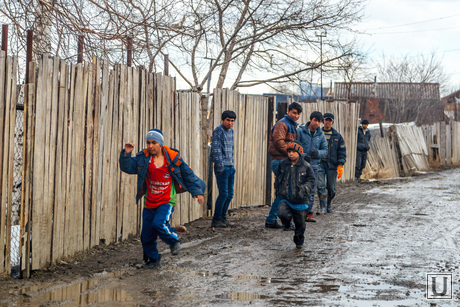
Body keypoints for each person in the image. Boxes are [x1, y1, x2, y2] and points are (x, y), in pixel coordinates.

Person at [119, 129, 206, 268]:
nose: (151, 146)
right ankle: (153, 260)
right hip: (150, 202)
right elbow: (128, 167)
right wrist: (126, 154)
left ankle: (173, 240)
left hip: (166, 201)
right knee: (146, 234)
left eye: (154, 142)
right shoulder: (144, 159)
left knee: (159, 223)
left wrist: (198, 192)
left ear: (160, 144)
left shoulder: (172, 158)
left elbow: (188, 174)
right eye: (148, 142)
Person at [265, 102, 302, 228]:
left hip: (285, 160)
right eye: (294, 113)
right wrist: (292, 153)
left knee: (285, 191)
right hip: (280, 160)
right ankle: (275, 219)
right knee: (284, 191)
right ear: (288, 111)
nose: (296, 116)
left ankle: (273, 219)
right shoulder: (282, 124)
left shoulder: (291, 125)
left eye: (298, 114)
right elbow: (279, 142)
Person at [275, 141, 315, 249]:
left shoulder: (306, 166)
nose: (291, 154)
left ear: (299, 152)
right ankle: (287, 224)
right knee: (281, 213)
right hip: (286, 198)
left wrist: (305, 189)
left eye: (293, 152)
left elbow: (312, 180)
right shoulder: (283, 164)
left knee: (300, 224)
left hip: (300, 199)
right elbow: (278, 178)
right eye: (289, 152)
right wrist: (278, 190)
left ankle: (299, 241)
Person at [296, 111, 328, 222]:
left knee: (311, 191)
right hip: (300, 166)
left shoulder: (321, 135)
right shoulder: (300, 131)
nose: (317, 123)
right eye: (315, 120)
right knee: (299, 189)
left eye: (319, 121)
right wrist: (304, 155)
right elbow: (295, 147)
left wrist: (318, 153)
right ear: (311, 119)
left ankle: (308, 214)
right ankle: (298, 214)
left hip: (314, 167)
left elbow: (325, 150)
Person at [210, 110, 236, 228]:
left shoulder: (231, 131)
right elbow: (215, 150)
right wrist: (220, 167)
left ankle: (223, 217)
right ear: (223, 120)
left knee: (230, 194)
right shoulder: (218, 131)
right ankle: (216, 219)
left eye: (232, 121)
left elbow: (232, 148)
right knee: (223, 193)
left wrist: (232, 165)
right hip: (222, 167)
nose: (230, 123)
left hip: (230, 166)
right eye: (228, 120)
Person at [317, 113, 346, 214]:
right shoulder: (318, 133)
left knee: (331, 188)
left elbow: (342, 151)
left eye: (330, 120)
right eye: (326, 120)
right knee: (320, 185)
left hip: (332, 165)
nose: (328, 122)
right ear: (323, 121)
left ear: (332, 122)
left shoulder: (337, 136)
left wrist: (340, 165)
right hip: (320, 163)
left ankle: (329, 203)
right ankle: (323, 206)